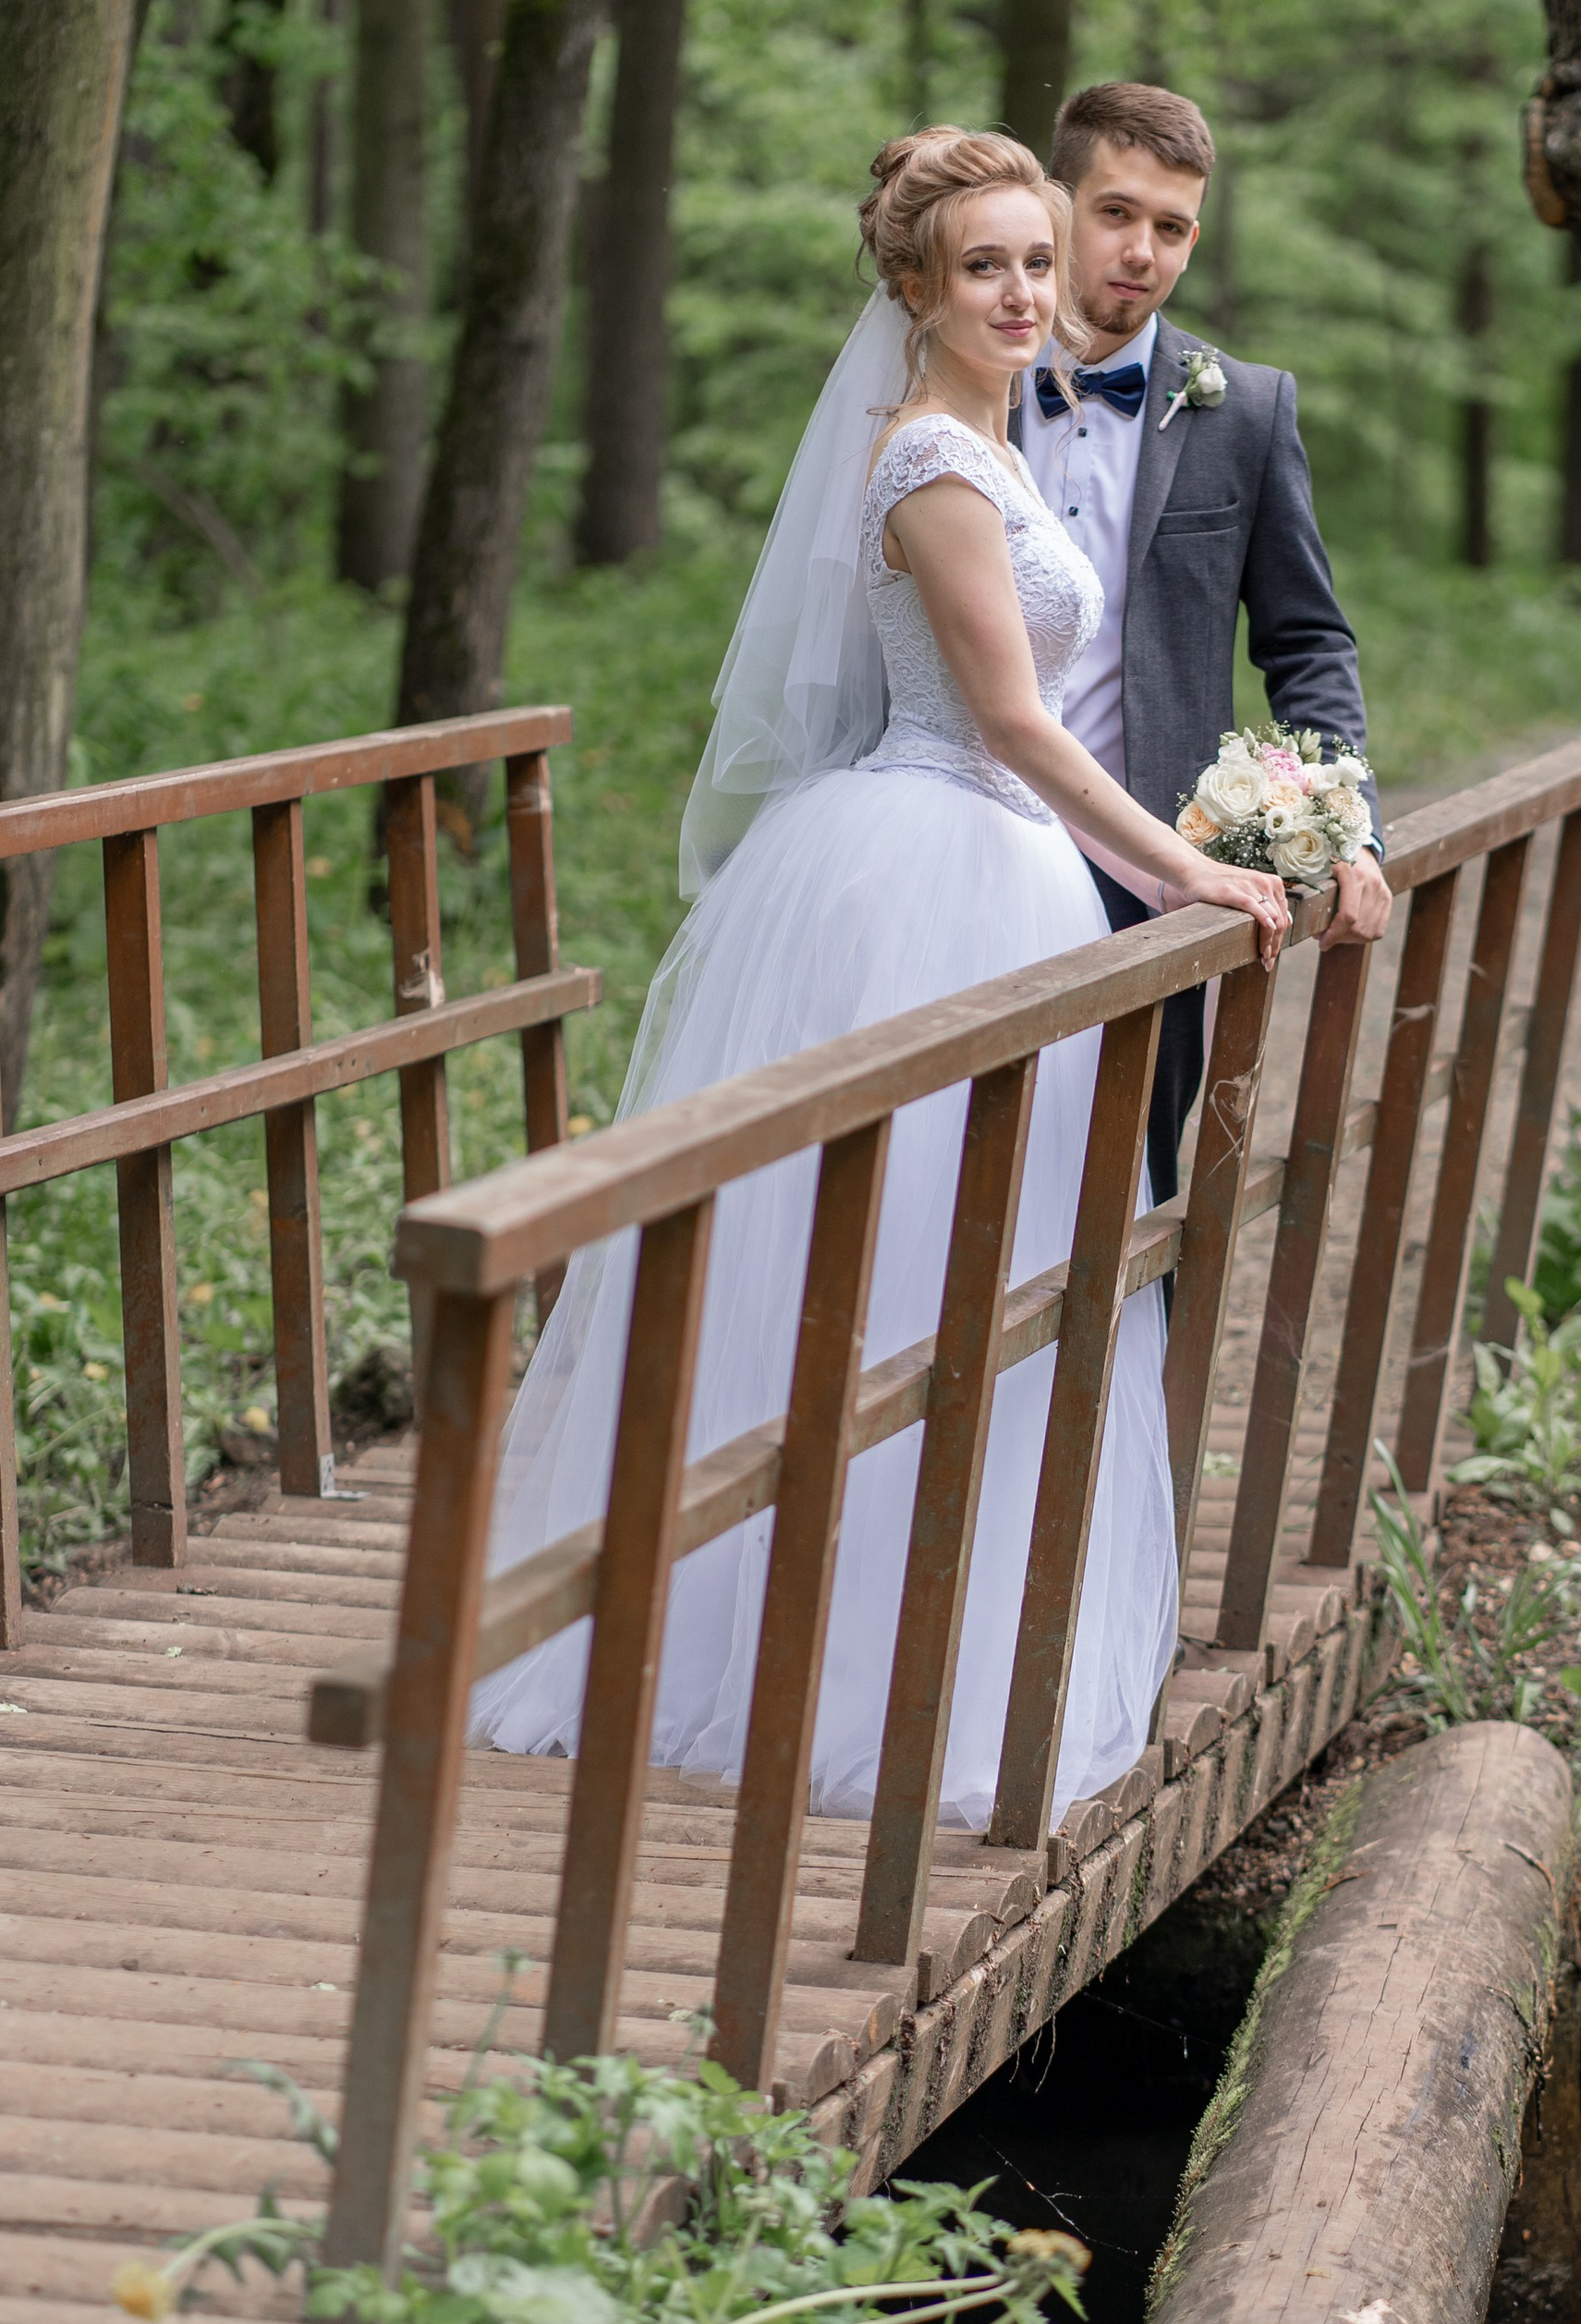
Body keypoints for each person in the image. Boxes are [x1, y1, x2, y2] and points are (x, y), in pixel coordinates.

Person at [470, 127, 1291, 1830]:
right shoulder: (929, 458)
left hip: (1006, 875)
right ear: (917, 289)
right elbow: (1012, 723)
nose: (1025, 292)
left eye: (1036, 262)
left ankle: (940, 1650)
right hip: (939, 868)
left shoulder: (986, 439)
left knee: (984, 1257)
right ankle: (838, 1672)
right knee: (912, 1260)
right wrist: (1188, 865)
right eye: (985, 266)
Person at [1017, 80, 1390, 1207]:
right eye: (1115, 212)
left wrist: (1348, 829)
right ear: (1054, 204)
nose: (1142, 251)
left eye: (1172, 228)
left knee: (1130, 1191)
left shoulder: (1245, 410)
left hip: (1152, 876)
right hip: (958, 848)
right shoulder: (955, 383)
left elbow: (1307, 641)